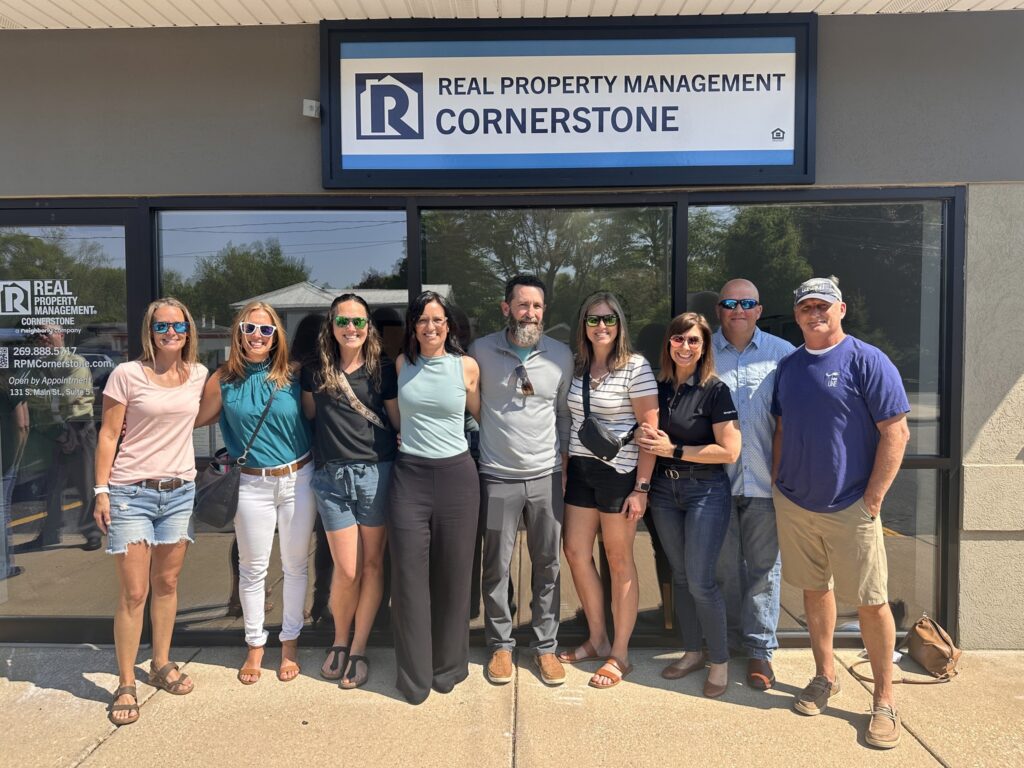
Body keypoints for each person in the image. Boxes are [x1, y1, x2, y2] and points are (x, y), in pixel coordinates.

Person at [771, 276, 910, 749]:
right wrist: (780, 482)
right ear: (796, 315)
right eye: (806, 307)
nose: (815, 314)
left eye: (823, 306)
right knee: (815, 591)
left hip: (851, 504)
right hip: (797, 503)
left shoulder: (867, 360)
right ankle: (825, 675)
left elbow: (896, 433)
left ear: (841, 309)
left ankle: (884, 701)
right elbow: (783, 428)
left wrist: (873, 499)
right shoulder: (789, 367)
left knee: (870, 602)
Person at [93, 298, 208, 726]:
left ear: (188, 330)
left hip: (179, 492)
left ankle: (160, 662)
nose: (171, 333)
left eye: (178, 325)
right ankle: (126, 681)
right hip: (131, 494)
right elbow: (108, 435)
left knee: (167, 583)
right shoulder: (127, 374)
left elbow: (208, 412)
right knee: (134, 592)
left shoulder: (198, 375)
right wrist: (101, 491)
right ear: (150, 331)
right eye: (162, 327)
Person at [196, 301, 315, 685]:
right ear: (239, 333)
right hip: (250, 483)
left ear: (277, 335)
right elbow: (190, 419)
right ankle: (255, 644)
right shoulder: (223, 379)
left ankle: (290, 641)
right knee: (252, 569)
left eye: (266, 330)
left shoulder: (294, 375)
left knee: (295, 566)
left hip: (298, 478)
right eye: (250, 328)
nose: (258, 336)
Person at [469, 275, 573, 687]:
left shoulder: (561, 355)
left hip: (546, 477)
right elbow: (471, 404)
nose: (531, 313)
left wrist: (564, 465)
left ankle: (545, 647)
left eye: (537, 306)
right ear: (506, 308)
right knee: (496, 564)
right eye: (523, 304)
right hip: (497, 478)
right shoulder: (480, 351)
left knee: (548, 564)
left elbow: (563, 414)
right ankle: (500, 644)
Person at [636, 313, 741, 697]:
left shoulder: (715, 390)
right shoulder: (658, 387)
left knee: (700, 581)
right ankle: (693, 651)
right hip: (664, 492)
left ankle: (720, 660)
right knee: (679, 576)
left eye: (693, 340)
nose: (685, 347)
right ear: (669, 343)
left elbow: (729, 451)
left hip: (705, 492)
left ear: (704, 347)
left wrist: (674, 450)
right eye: (679, 339)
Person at [557, 291, 658, 689]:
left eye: (609, 319)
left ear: (620, 324)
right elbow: (569, 422)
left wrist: (641, 488)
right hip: (582, 473)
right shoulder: (578, 366)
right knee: (575, 552)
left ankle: (620, 654)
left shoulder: (636, 367)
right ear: (583, 325)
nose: (601, 326)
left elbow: (650, 432)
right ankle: (597, 638)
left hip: (620, 475)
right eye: (594, 319)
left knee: (619, 561)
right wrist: (566, 469)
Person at [387, 290, 480, 705]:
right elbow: (397, 416)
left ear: (448, 325)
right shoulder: (402, 364)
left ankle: (449, 666)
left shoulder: (466, 367)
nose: (430, 326)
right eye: (422, 320)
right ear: (413, 326)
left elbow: (480, 415)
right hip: (410, 478)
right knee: (408, 578)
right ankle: (414, 675)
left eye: (437, 319)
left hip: (458, 478)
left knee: (454, 577)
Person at [301, 294, 399, 689]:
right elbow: (309, 416)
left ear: (368, 327)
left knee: (372, 565)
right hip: (331, 478)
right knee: (347, 568)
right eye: (344, 321)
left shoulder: (383, 370)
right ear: (332, 326)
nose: (351, 328)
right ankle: (339, 640)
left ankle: (358, 648)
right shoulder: (314, 371)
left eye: (359, 322)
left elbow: (396, 421)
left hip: (376, 473)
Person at [712, 279, 795, 689]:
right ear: (719, 310)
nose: (738, 310)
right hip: (716, 486)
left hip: (765, 482)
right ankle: (727, 644)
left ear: (759, 310)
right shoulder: (701, 352)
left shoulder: (784, 355)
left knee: (764, 570)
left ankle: (760, 651)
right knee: (724, 570)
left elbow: (796, 419)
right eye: (730, 303)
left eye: (747, 303)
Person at [24, 325, 102, 551]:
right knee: (52, 486)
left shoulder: (76, 363)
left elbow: (69, 395)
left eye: (47, 333)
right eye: (39, 335)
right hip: (51, 430)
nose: (43, 338)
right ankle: (50, 534)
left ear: (61, 335)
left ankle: (92, 533)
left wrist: (42, 396)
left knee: (86, 483)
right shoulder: (37, 367)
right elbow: (29, 396)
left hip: (79, 427)